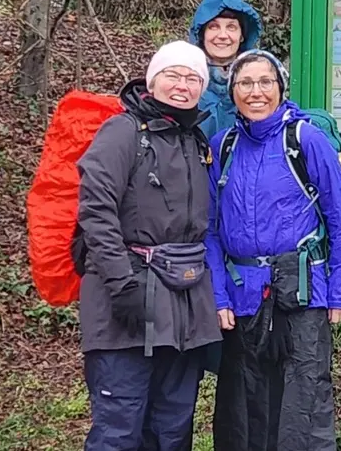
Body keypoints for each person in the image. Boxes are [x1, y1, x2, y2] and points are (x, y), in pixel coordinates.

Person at [205, 50, 341, 451]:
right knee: (244, 405)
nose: (256, 92)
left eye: (265, 82)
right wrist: (218, 294)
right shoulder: (223, 147)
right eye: (245, 83)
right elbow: (210, 230)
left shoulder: (305, 140)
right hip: (243, 295)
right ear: (232, 91)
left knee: (304, 400)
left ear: (280, 87)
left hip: (304, 291)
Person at [76, 41, 221, 451]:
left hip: (184, 303)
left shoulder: (194, 140)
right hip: (126, 300)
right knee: (119, 428)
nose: (182, 85)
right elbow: (95, 209)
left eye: (193, 78)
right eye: (173, 75)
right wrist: (121, 284)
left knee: (172, 427)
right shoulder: (122, 131)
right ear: (152, 81)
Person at [188, 0, 263, 138]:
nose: (222, 36)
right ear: (202, 34)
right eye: (214, 27)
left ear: (242, 36)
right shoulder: (184, 80)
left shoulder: (261, 79)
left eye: (231, 27)